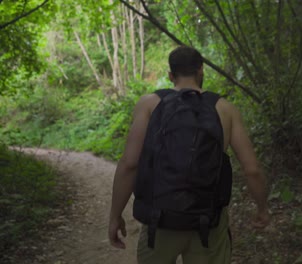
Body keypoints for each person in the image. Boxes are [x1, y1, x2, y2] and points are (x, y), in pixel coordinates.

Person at [108, 46, 270, 264]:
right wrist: (262, 208)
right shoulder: (225, 109)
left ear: (170, 76)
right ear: (201, 71)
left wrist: (115, 215)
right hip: (208, 224)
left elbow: (129, 164)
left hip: (160, 222)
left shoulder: (149, 104)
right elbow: (252, 170)